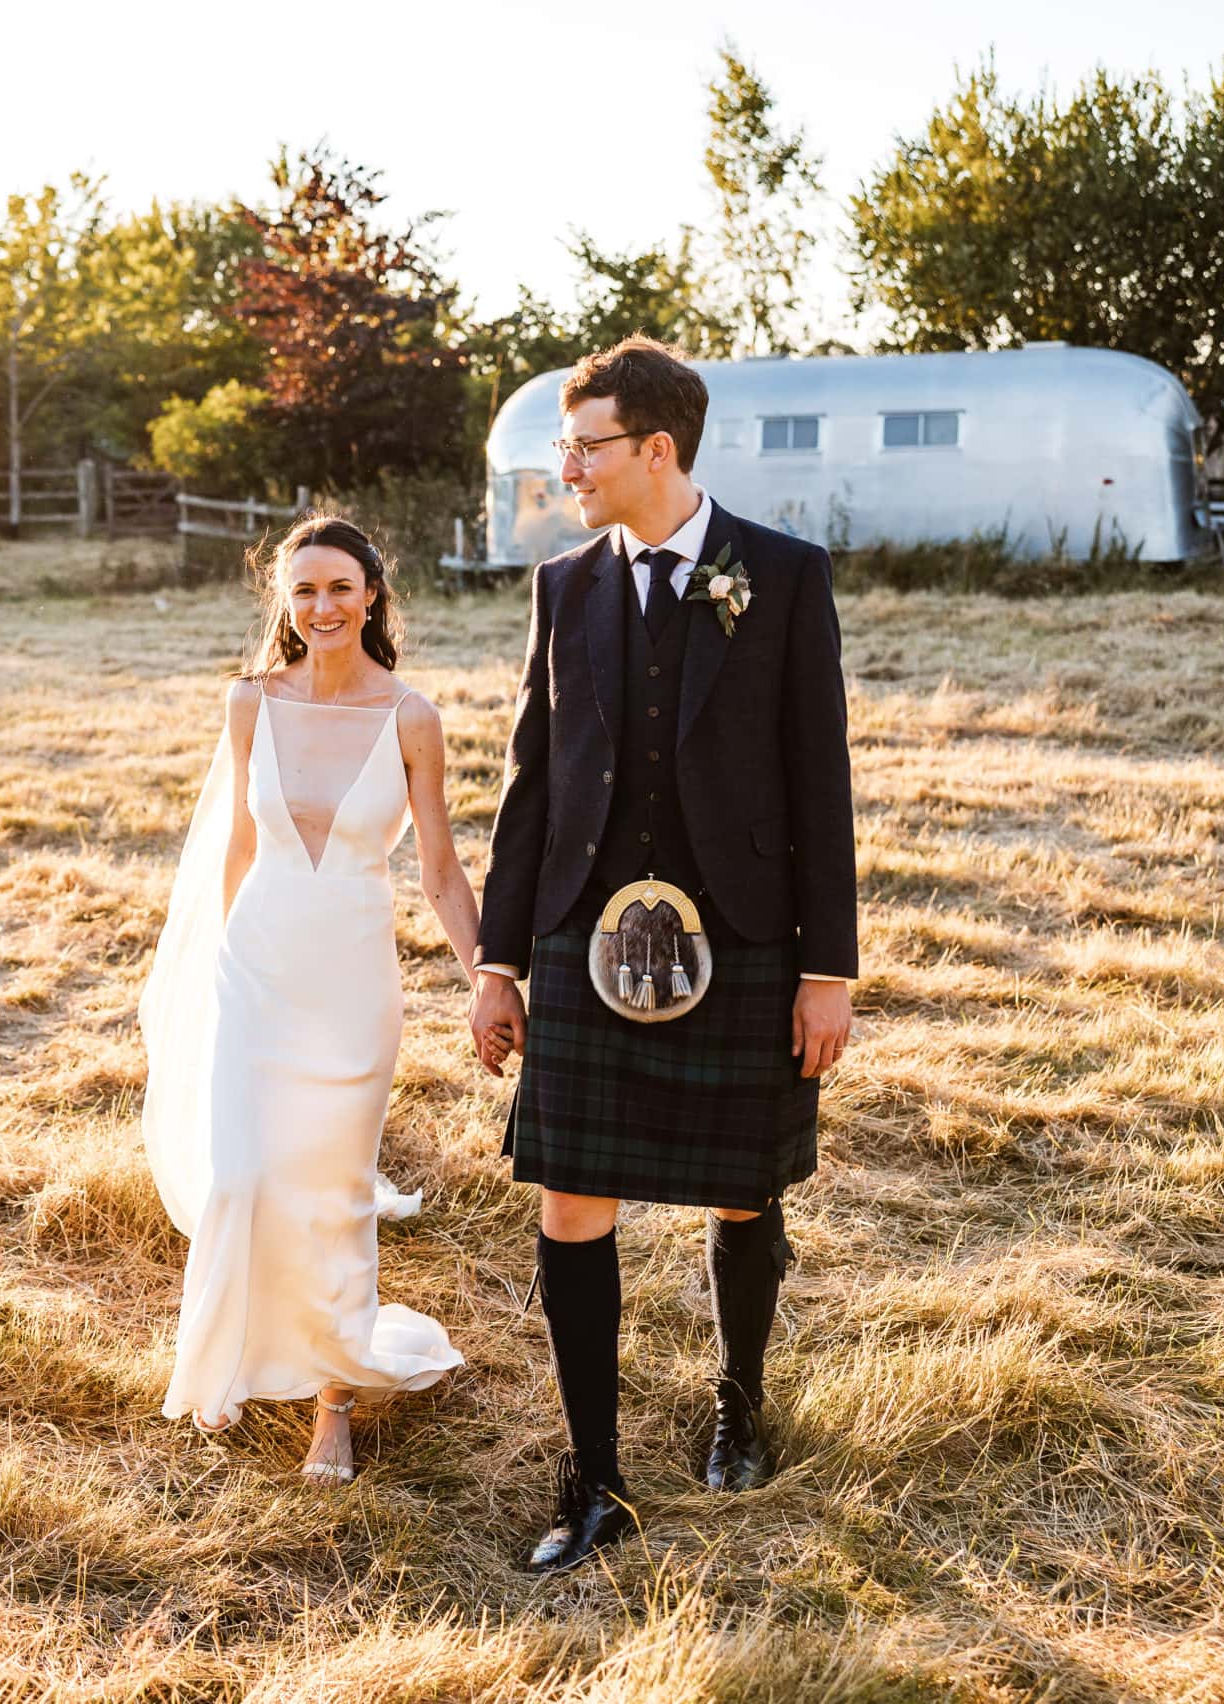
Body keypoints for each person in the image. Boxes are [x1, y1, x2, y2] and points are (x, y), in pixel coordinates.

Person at [470, 336, 858, 1570]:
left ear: (656, 450)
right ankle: (592, 1480)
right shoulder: (562, 585)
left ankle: (739, 1403)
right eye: (562, 447)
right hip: (582, 934)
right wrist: (496, 959)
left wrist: (828, 970)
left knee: (745, 1188)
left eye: (583, 447)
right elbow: (532, 781)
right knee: (571, 1199)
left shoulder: (783, 577)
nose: (564, 467)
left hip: (741, 931)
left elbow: (820, 781)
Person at [141, 515, 478, 1483]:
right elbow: (237, 852)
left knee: (330, 1194)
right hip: (258, 966)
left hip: (350, 983)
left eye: (339, 587)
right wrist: (213, 959)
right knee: (243, 1177)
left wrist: (485, 979)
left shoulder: (410, 717)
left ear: (373, 594)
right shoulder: (250, 704)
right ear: (284, 604)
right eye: (303, 591)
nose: (321, 607)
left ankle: (332, 1400)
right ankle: (229, 1359)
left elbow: (443, 872)